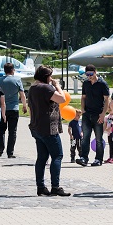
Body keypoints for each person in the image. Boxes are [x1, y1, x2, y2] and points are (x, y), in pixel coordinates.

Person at [28, 65, 70, 196]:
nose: (51, 78)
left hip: (36, 126)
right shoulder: (46, 88)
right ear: (46, 77)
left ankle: (40, 187)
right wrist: (57, 86)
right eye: (50, 76)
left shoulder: (33, 88)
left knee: (41, 158)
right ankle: (55, 187)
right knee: (57, 156)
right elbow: (62, 99)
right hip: (48, 128)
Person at [77, 64, 109, 166]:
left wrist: (103, 114)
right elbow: (83, 97)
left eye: (91, 74)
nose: (89, 76)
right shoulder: (86, 83)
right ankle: (84, 158)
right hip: (87, 114)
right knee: (85, 137)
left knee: (98, 138)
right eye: (87, 74)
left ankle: (98, 159)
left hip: (98, 114)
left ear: (95, 72)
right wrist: (82, 109)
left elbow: (107, 99)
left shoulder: (102, 84)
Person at [0, 62, 26, 158]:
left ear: (4, 70)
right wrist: (25, 106)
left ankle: (0, 148)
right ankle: (10, 152)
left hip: (2, 108)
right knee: (12, 131)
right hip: (14, 108)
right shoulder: (17, 80)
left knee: (1, 129)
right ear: (13, 70)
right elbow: (22, 94)